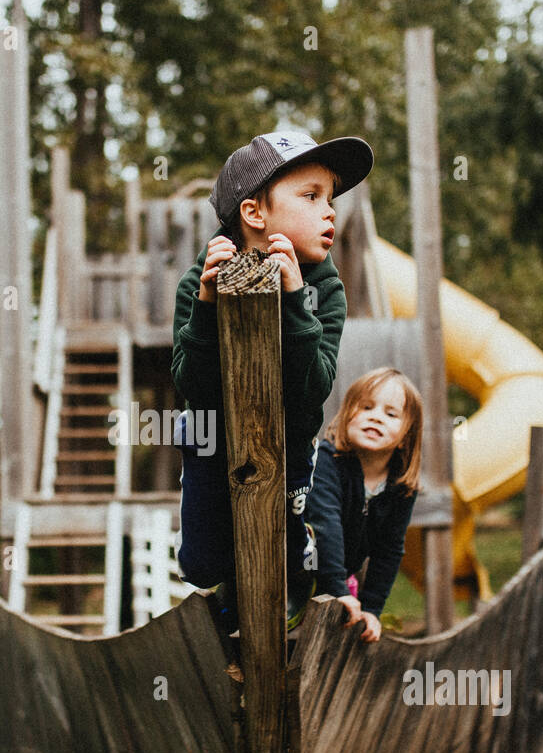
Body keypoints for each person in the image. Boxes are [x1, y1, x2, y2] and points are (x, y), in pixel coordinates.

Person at [171, 130, 373, 632]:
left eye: (331, 198)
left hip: (286, 446)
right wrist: (206, 307)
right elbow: (191, 382)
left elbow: (313, 386)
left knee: (284, 562)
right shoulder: (201, 280)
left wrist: (292, 297)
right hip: (211, 441)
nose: (330, 212)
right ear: (254, 214)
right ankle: (225, 620)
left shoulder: (324, 289)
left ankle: (278, 637)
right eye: (311, 196)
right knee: (203, 562)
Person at [306, 367, 423, 642]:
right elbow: (326, 523)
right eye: (366, 407)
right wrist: (337, 589)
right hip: (296, 574)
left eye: (391, 414)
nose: (376, 417)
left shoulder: (402, 487)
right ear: (347, 417)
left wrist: (372, 608)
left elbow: (389, 550)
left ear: (406, 436)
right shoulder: (327, 462)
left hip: (339, 581)